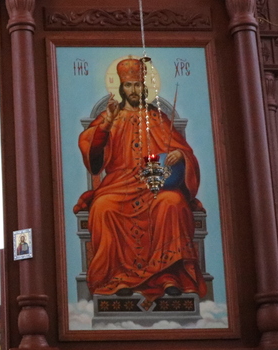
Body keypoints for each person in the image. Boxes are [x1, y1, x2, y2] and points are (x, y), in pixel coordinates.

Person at [75, 56, 205, 304]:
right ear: (121, 88)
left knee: (172, 202)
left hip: (154, 183)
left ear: (144, 87)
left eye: (137, 85)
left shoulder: (157, 118)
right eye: (128, 85)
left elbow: (183, 150)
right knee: (103, 207)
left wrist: (181, 155)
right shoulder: (110, 116)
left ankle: (168, 277)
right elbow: (93, 159)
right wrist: (106, 125)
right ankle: (119, 278)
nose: (133, 90)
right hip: (119, 184)